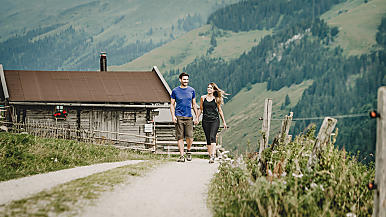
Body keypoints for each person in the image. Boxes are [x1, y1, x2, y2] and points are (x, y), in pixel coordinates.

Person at [170, 72, 199, 162]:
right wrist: (173, 116)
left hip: (189, 117)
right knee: (180, 137)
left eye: (187, 79)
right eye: (184, 79)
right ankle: (182, 156)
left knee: (190, 137)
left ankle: (188, 151)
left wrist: (197, 117)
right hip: (179, 116)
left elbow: (194, 104)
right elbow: (171, 104)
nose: (186, 81)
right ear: (180, 80)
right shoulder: (175, 91)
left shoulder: (192, 90)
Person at [196, 82, 227, 163]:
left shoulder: (216, 99)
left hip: (215, 120)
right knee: (208, 139)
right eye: (208, 87)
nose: (209, 89)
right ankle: (210, 156)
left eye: (211, 88)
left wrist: (224, 122)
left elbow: (220, 110)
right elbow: (200, 109)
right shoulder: (203, 98)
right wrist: (196, 118)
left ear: (214, 90)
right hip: (205, 120)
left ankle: (213, 155)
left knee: (212, 137)